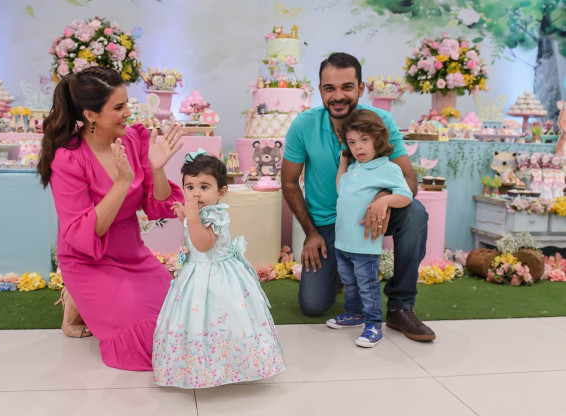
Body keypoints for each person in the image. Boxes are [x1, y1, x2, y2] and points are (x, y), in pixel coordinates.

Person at [37, 66, 185, 370]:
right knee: (150, 341)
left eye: (127, 103)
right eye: (118, 107)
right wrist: (121, 183)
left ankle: (78, 300)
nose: (128, 112)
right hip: (89, 260)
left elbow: (156, 205)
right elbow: (83, 232)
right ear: (91, 115)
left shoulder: (133, 140)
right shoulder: (68, 159)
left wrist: (157, 169)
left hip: (132, 253)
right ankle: (76, 294)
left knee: (183, 320)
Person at [282, 52, 435, 341]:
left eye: (347, 87)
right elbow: (289, 183)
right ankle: (343, 275)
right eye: (330, 88)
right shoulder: (303, 125)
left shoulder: (381, 121)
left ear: (361, 88)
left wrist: (382, 199)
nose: (338, 96)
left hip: (371, 217)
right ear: (320, 90)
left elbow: (408, 180)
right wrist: (311, 233)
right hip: (329, 225)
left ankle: (400, 306)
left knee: (415, 213)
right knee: (313, 306)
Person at [152, 150, 285, 388]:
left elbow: (203, 244)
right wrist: (186, 217)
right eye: (190, 187)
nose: (196, 194)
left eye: (204, 187)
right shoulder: (198, 213)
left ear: (221, 192)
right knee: (193, 318)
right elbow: (193, 234)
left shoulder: (216, 215)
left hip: (217, 276)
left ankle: (229, 365)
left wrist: (191, 218)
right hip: (195, 273)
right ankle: (193, 365)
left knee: (222, 319)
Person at [326, 109, 412, 348]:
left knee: (367, 286)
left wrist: (385, 201)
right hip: (343, 242)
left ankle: (373, 324)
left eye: (364, 140)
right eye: (352, 142)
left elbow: (405, 195)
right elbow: (340, 187)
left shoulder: (387, 168)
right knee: (350, 283)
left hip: (364, 246)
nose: (358, 147)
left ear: (378, 139)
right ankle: (354, 314)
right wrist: (343, 163)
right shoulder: (354, 168)